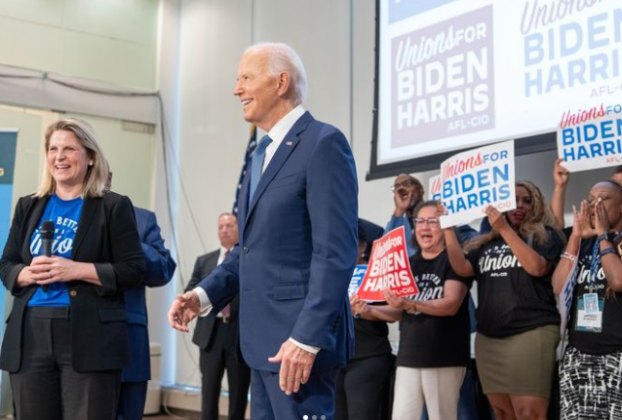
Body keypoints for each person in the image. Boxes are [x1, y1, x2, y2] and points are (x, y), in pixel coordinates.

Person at [168, 42, 358, 420]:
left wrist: (306, 338)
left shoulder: (323, 144)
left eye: (246, 78)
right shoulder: (260, 156)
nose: (236, 89)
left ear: (281, 82)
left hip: (299, 348)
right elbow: (248, 250)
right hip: (261, 347)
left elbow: (334, 253)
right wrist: (203, 296)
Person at [0, 118, 145, 420]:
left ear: (90, 156)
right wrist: (26, 274)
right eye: (53, 149)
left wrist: (75, 270)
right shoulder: (29, 206)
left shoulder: (113, 207)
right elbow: (7, 264)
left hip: (89, 335)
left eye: (69, 148)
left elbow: (133, 270)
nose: (59, 157)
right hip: (31, 332)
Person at [443, 181, 564, 420]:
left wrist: (505, 229)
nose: (519, 205)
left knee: (529, 413)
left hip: (531, 332)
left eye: (526, 200)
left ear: (536, 205)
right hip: (489, 339)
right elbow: (463, 268)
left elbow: (537, 268)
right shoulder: (486, 241)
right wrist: (448, 229)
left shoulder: (545, 235)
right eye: (513, 200)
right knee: (502, 413)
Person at [359, 201, 472, 420]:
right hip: (408, 357)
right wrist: (367, 310)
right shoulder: (407, 263)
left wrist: (410, 304)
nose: (425, 227)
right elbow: (397, 311)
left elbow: (450, 305)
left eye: (433, 222)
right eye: (420, 221)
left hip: (444, 357)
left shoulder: (454, 261)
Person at [552, 180, 622, 420]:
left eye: (603, 199)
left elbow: (618, 281)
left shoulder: (614, 240)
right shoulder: (585, 242)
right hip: (579, 353)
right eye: (591, 199)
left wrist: (603, 234)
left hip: (617, 354)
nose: (594, 204)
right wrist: (575, 237)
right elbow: (558, 285)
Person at [185, 213, 251, 420]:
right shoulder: (205, 261)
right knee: (209, 390)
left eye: (229, 225)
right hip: (210, 335)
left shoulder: (248, 261)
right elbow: (192, 290)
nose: (224, 230)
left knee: (238, 391)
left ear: (239, 229)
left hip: (239, 334)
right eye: (221, 226)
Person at [117, 206, 176, 420]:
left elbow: (163, 269)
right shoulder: (58, 212)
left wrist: (128, 238)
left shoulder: (140, 219)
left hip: (127, 343)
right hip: (69, 342)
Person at [335, 222, 393, 420]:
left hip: (368, 356)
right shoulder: (328, 276)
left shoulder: (376, 274)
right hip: (334, 358)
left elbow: (397, 313)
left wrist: (367, 310)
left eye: (350, 243)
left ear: (362, 247)